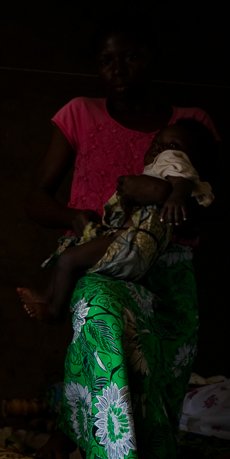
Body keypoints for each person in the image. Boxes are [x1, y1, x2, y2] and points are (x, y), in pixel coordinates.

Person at [22, 16, 219, 459]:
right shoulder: (80, 114)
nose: (118, 68)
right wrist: (73, 217)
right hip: (104, 258)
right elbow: (37, 199)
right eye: (106, 60)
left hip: (169, 269)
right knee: (104, 326)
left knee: (159, 383)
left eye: (130, 56)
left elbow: (211, 204)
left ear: (151, 58)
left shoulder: (190, 125)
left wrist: (164, 196)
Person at [18, 118, 216, 322]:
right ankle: (47, 297)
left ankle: (54, 312)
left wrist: (175, 197)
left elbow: (181, 181)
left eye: (174, 145)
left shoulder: (172, 163)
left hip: (132, 247)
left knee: (69, 259)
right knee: (71, 250)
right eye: (156, 142)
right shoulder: (159, 171)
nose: (162, 148)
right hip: (128, 243)